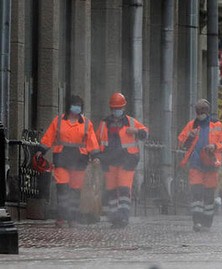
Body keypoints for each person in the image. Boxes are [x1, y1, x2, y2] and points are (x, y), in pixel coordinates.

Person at [36, 95, 100, 228]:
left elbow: (92, 141)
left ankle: (73, 218)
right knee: (62, 188)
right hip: (61, 159)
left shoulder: (87, 124)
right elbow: (49, 137)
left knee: (75, 190)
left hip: (79, 161)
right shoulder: (58, 121)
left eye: (79, 105)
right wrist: (41, 150)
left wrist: (95, 156)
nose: (76, 108)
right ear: (69, 106)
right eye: (74, 104)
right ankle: (61, 217)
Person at [96, 92, 149, 228]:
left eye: (118, 108)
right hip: (109, 161)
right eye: (114, 108)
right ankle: (115, 219)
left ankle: (124, 217)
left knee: (124, 190)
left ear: (123, 108)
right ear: (111, 109)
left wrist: (136, 131)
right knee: (112, 191)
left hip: (127, 160)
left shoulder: (131, 122)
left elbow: (145, 133)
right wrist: (97, 156)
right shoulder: (104, 123)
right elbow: (97, 140)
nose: (116, 111)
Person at [178, 99, 222, 232]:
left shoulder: (217, 125)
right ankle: (197, 221)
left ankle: (207, 222)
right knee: (197, 193)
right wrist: (190, 136)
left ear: (207, 111)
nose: (200, 114)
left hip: (211, 163)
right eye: (198, 111)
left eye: (203, 111)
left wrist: (214, 146)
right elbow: (182, 143)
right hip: (196, 163)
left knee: (209, 196)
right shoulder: (191, 126)